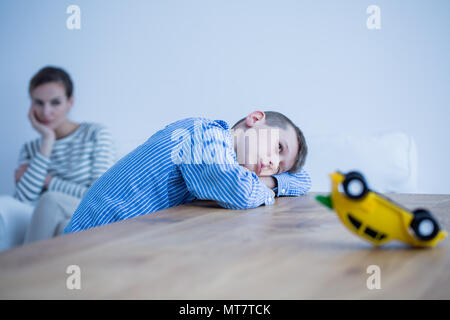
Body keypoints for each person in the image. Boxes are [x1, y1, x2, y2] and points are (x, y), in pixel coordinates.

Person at [63, 110, 311, 233]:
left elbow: (302, 179)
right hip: (88, 243)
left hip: (121, 242)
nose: (271, 164)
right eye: (278, 147)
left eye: (279, 167)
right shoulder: (207, 135)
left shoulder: (225, 152)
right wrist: (272, 184)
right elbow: (239, 191)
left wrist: (277, 181)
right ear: (256, 118)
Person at [0, 66, 116, 251]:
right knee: (61, 224)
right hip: (47, 219)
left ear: (70, 102)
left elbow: (98, 194)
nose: (46, 112)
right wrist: (47, 139)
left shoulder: (95, 134)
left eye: (55, 102)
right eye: (39, 102)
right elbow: (23, 201)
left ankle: (24, 270)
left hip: (87, 208)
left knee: (50, 200)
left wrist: (49, 181)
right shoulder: (31, 149)